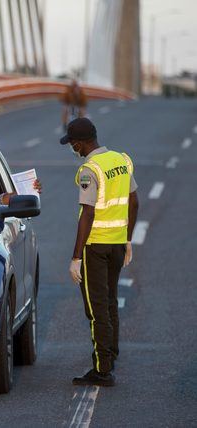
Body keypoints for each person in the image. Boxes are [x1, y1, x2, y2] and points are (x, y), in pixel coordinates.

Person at [60, 118, 139, 387]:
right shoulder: (121, 160)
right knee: (109, 302)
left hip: (95, 246)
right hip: (117, 243)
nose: (73, 149)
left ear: (80, 143)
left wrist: (75, 257)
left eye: (72, 144)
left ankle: (102, 369)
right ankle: (110, 355)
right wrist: (128, 240)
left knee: (96, 309)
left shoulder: (89, 170)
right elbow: (134, 201)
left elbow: (88, 213)